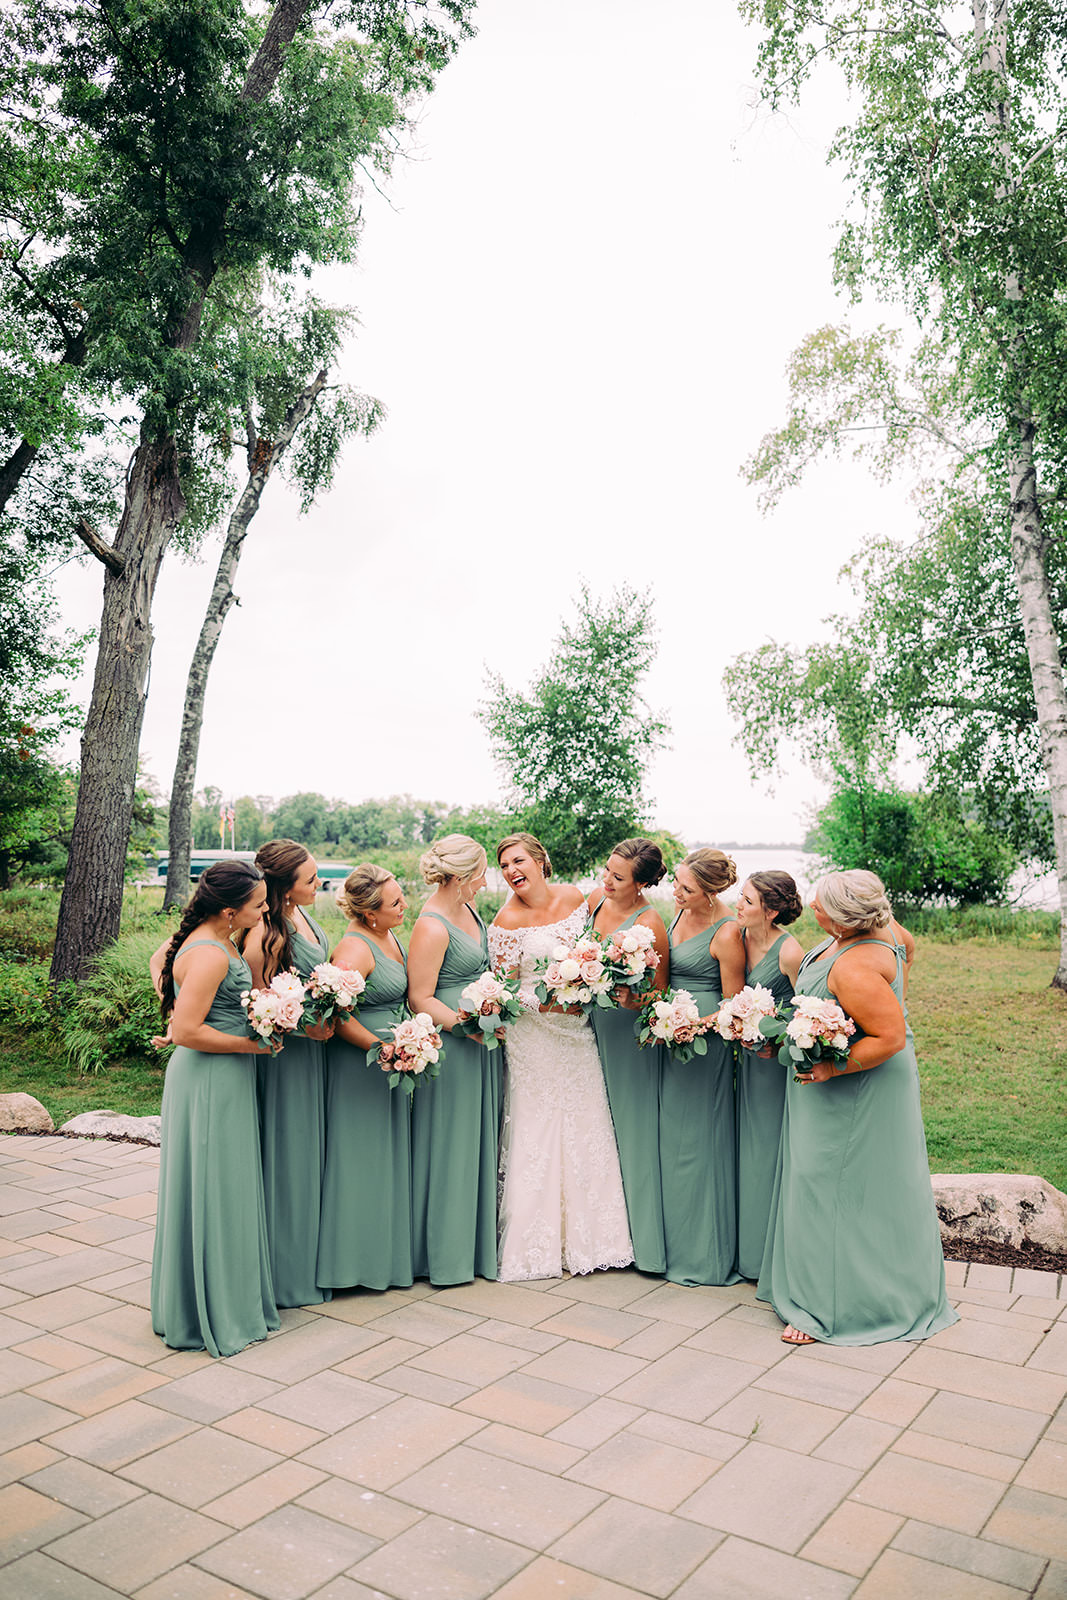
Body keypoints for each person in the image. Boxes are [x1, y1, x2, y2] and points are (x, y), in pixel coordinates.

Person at [758, 869, 959, 1346]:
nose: (813, 906)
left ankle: (825, 1308)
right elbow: (908, 951)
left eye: (822, 905)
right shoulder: (888, 929)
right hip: (854, 1079)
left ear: (846, 921)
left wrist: (830, 1067)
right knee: (860, 1185)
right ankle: (864, 1282)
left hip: (854, 1085)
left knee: (829, 1185)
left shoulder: (853, 967)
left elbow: (889, 1037)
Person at [148, 860, 278, 1358]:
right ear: (230, 910)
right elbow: (186, 1032)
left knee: (220, 1186)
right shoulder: (211, 954)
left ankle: (203, 1299)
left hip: (214, 1072)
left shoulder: (208, 939)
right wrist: (255, 1046)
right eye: (259, 904)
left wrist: (178, 1006)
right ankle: (213, 1310)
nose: (265, 910)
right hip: (211, 1077)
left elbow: (163, 969)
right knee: (214, 1186)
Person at [489, 833, 633, 1281]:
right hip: (535, 1035)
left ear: (539, 859)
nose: (513, 871)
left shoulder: (578, 898)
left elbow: (600, 952)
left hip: (578, 1030)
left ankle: (597, 1240)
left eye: (519, 861)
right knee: (540, 1123)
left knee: (587, 1119)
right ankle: (537, 1244)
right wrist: (548, 1003)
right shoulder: (505, 921)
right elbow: (505, 990)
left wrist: (593, 982)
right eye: (505, 866)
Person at [408, 834, 502, 1285]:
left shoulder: (467, 910)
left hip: (481, 1040)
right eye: (482, 874)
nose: (487, 883)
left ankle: (474, 1247)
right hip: (453, 1042)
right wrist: (465, 1025)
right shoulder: (431, 924)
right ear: (463, 877)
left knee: (476, 1142)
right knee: (450, 1144)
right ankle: (444, 1255)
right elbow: (419, 996)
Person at [243, 839, 332, 1308]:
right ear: (285, 887)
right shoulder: (261, 932)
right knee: (288, 1158)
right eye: (311, 879)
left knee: (310, 1155)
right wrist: (304, 1029)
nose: (319, 884)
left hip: (316, 1054)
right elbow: (259, 1006)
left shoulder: (305, 916)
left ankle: (310, 1263)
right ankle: (285, 1277)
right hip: (286, 1059)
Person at [317, 864, 414, 1292]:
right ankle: (349, 1265)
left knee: (383, 1158)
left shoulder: (388, 934)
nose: (404, 905)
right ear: (369, 913)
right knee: (358, 1160)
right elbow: (336, 1017)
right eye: (395, 903)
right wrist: (380, 1048)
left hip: (390, 1061)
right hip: (360, 1063)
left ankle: (382, 1259)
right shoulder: (354, 950)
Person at [659, 848, 745, 1285]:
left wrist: (695, 1025)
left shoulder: (728, 931)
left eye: (687, 888)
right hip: (669, 1036)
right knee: (674, 1143)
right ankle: (673, 1243)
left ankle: (706, 1255)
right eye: (676, 881)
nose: (676, 891)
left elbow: (734, 1004)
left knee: (700, 1143)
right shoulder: (677, 914)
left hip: (703, 1044)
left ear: (710, 893)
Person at [587, 837, 670, 1274]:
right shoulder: (594, 903)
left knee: (632, 1128)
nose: (608, 880)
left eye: (618, 878)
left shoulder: (650, 921)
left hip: (626, 1032)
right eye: (607, 870)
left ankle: (646, 1243)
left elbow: (658, 992)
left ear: (641, 884)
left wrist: (629, 998)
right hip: (586, 1028)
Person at [734, 871, 804, 1280]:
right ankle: (746, 1249)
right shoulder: (739, 937)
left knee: (766, 1150)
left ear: (771, 909)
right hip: (740, 1057)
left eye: (746, 900)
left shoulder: (789, 951)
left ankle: (768, 1255)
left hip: (771, 1063)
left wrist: (772, 1034)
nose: (738, 905)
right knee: (745, 1147)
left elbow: (805, 1007)